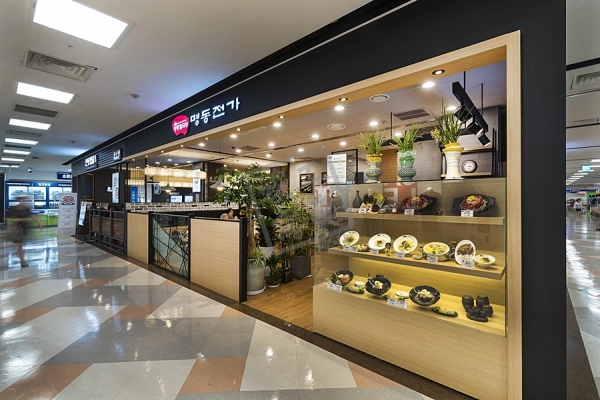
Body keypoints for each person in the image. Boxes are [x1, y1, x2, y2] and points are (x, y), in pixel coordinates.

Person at [7, 196, 42, 267]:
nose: (21, 200)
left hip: (25, 228)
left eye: (23, 199)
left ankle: (22, 259)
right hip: (17, 228)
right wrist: (19, 220)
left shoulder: (26, 208)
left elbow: (32, 215)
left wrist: (39, 222)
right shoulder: (13, 208)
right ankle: (22, 261)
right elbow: (9, 218)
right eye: (20, 199)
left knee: (22, 244)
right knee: (20, 244)